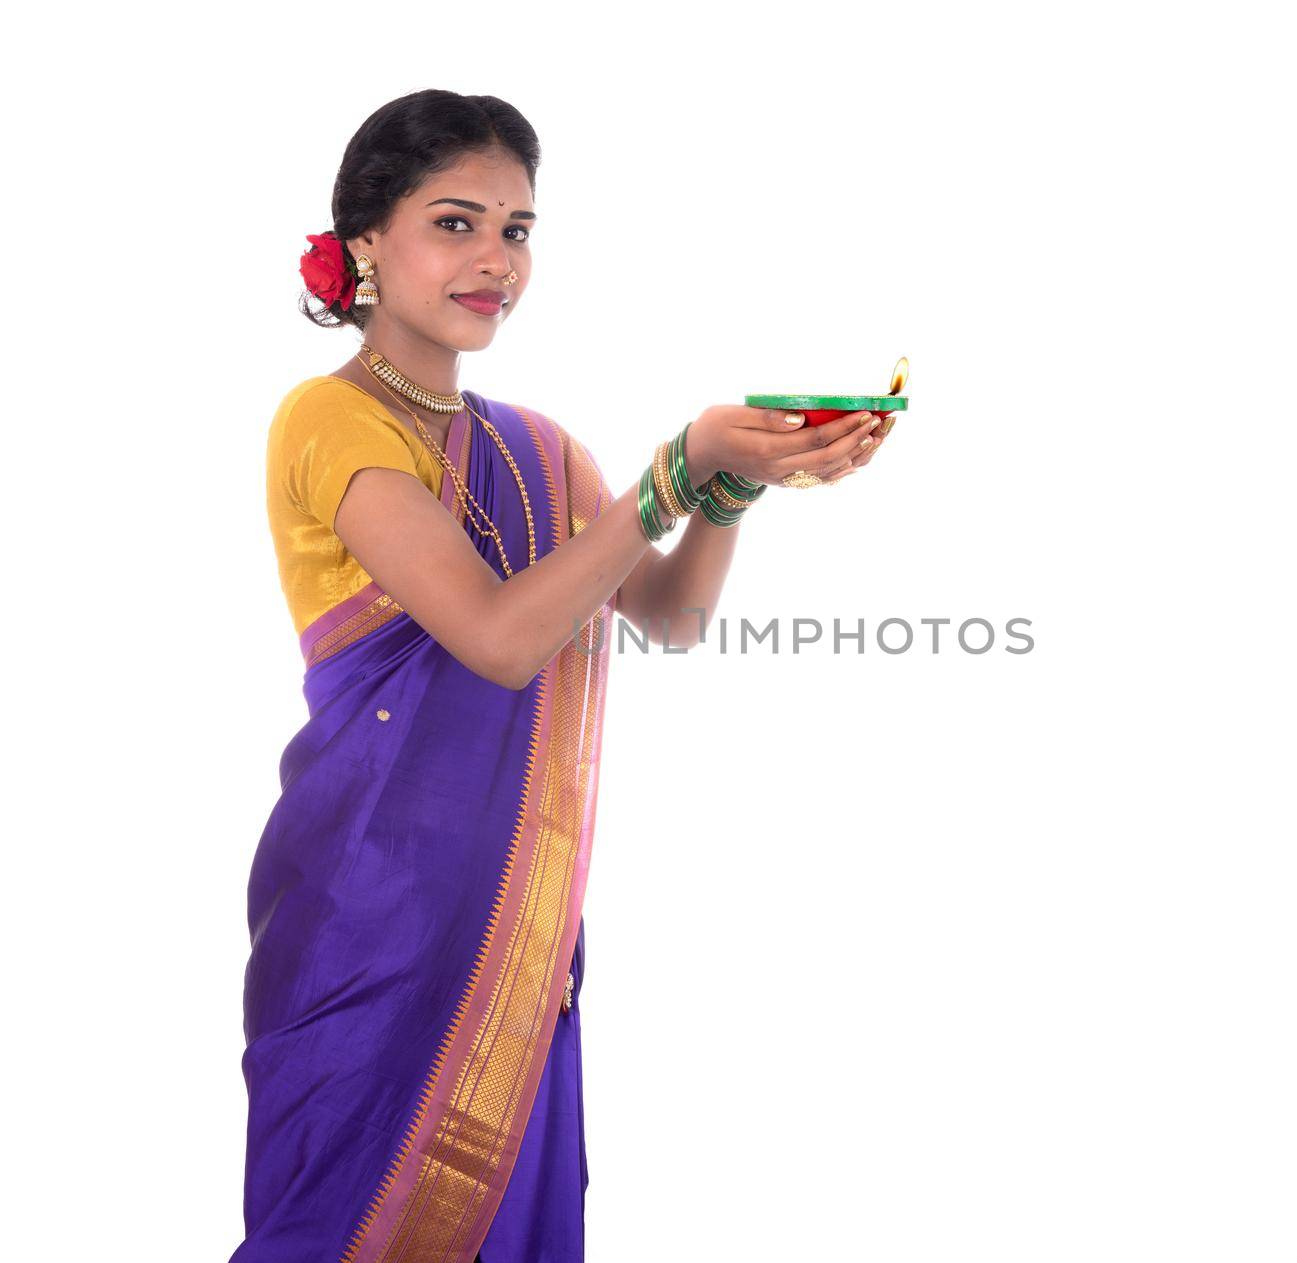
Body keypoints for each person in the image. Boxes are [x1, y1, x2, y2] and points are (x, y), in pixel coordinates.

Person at [232, 89, 889, 1263]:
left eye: (518, 231)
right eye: (456, 224)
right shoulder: (326, 424)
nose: (496, 261)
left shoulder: (541, 450)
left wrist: (733, 488)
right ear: (366, 240)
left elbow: (673, 618)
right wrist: (675, 468)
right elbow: (497, 638)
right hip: (372, 914)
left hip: (517, 921)